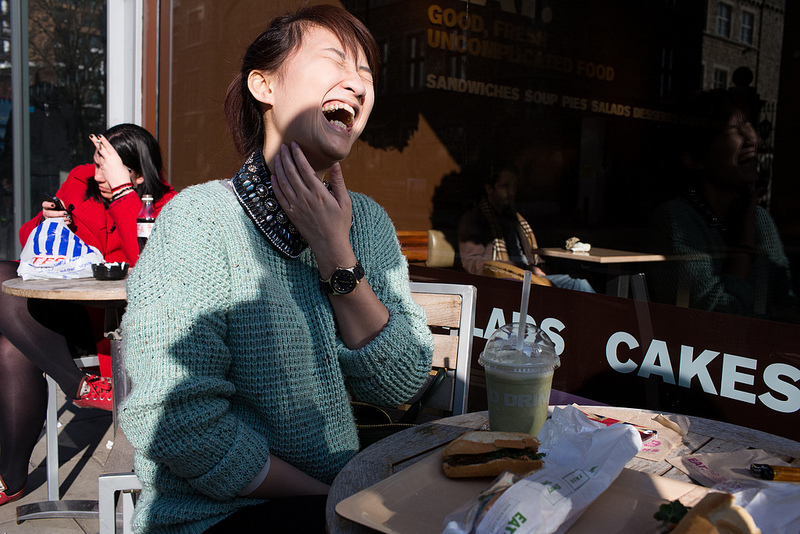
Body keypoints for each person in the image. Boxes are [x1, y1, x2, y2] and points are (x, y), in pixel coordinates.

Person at [118, 6, 434, 533]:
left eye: (366, 75)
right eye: (335, 61)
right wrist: (334, 497)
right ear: (264, 85)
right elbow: (175, 422)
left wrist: (335, 255)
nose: (356, 85)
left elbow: (400, 381)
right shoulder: (201, 220)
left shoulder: (369, 225)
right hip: (217, 515)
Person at [0, 123, 176, 506]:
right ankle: (78, 384)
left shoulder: (165, 206)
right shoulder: (83, 185)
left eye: (106, 167)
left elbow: (149, 269)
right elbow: (35, 249)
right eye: (96, 164)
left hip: (119, 329)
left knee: (11, 351)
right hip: (68, 315)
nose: (97, 175)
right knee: (1, 278)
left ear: (139, 174)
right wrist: (51, 218)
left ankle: (9, 478)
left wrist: (125, 195)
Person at [647, 89, 799, 322]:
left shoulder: (758, 219)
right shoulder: (676, 220)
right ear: (694, 159)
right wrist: (744, 245)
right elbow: (718, 321)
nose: (752, 139)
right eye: (734, 130)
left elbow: (786, 309)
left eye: (748, 125)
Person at [458, 163, 595, 292]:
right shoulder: (475, 218)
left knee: (576, 279)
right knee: (578, 283)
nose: (511, 191)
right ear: (489, 188)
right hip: (507, 281)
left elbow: (530, 256)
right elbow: (471, 262)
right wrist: (519, 269)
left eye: (514, 186)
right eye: (505, 186)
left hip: (529, 276)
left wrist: (537, 268)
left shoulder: (515, 218)